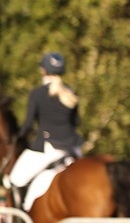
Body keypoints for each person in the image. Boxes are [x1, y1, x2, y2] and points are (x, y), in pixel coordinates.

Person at [5, 52, 84, 207]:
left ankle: (21, 219)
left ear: (43, 70)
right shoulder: (71, 93)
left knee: (14, 179)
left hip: (48, 147)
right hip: (73, 148)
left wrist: (17, 137)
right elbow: (76, 122)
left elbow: (28, 125)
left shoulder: (37, 94)